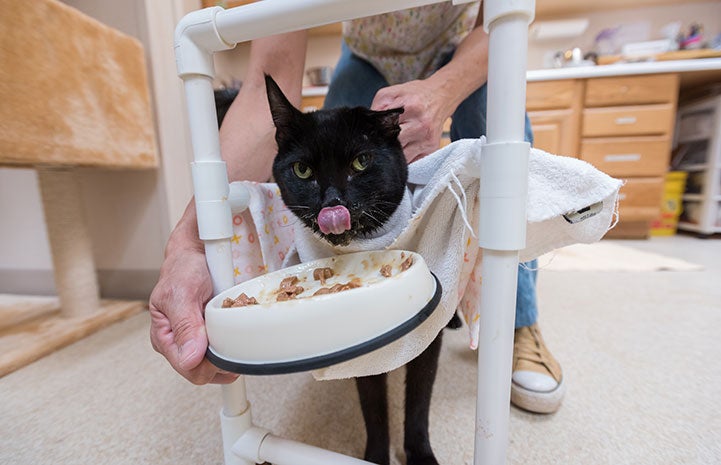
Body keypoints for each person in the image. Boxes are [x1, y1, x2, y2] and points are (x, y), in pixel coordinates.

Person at [149, 1, 564, 413]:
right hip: (365, 53)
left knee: (493, 112)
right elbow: (265, 86)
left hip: (464, 41)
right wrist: (191, 245)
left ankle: (519, 322)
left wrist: (443, 91)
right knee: (330, 134)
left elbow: (504, 20)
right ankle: (351, 301)